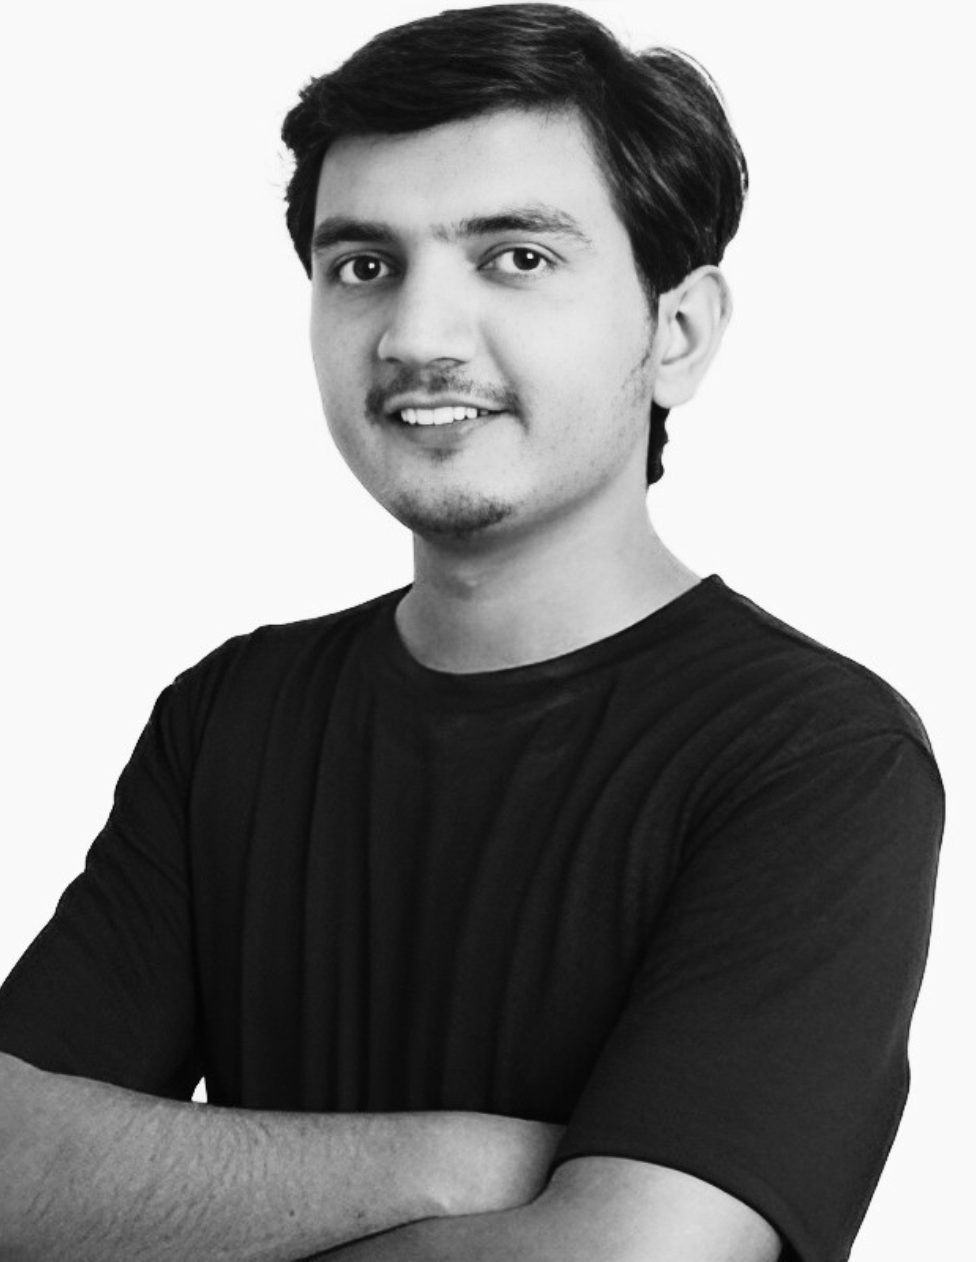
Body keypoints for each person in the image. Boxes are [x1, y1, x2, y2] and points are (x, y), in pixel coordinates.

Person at [0, 4, 944, 1260]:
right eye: (363, 265)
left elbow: (630, 1256)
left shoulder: (814, 752)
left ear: (677, 333)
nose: (417, 336)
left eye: (516, 256)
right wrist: (462, 1164)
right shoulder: (230, 712)